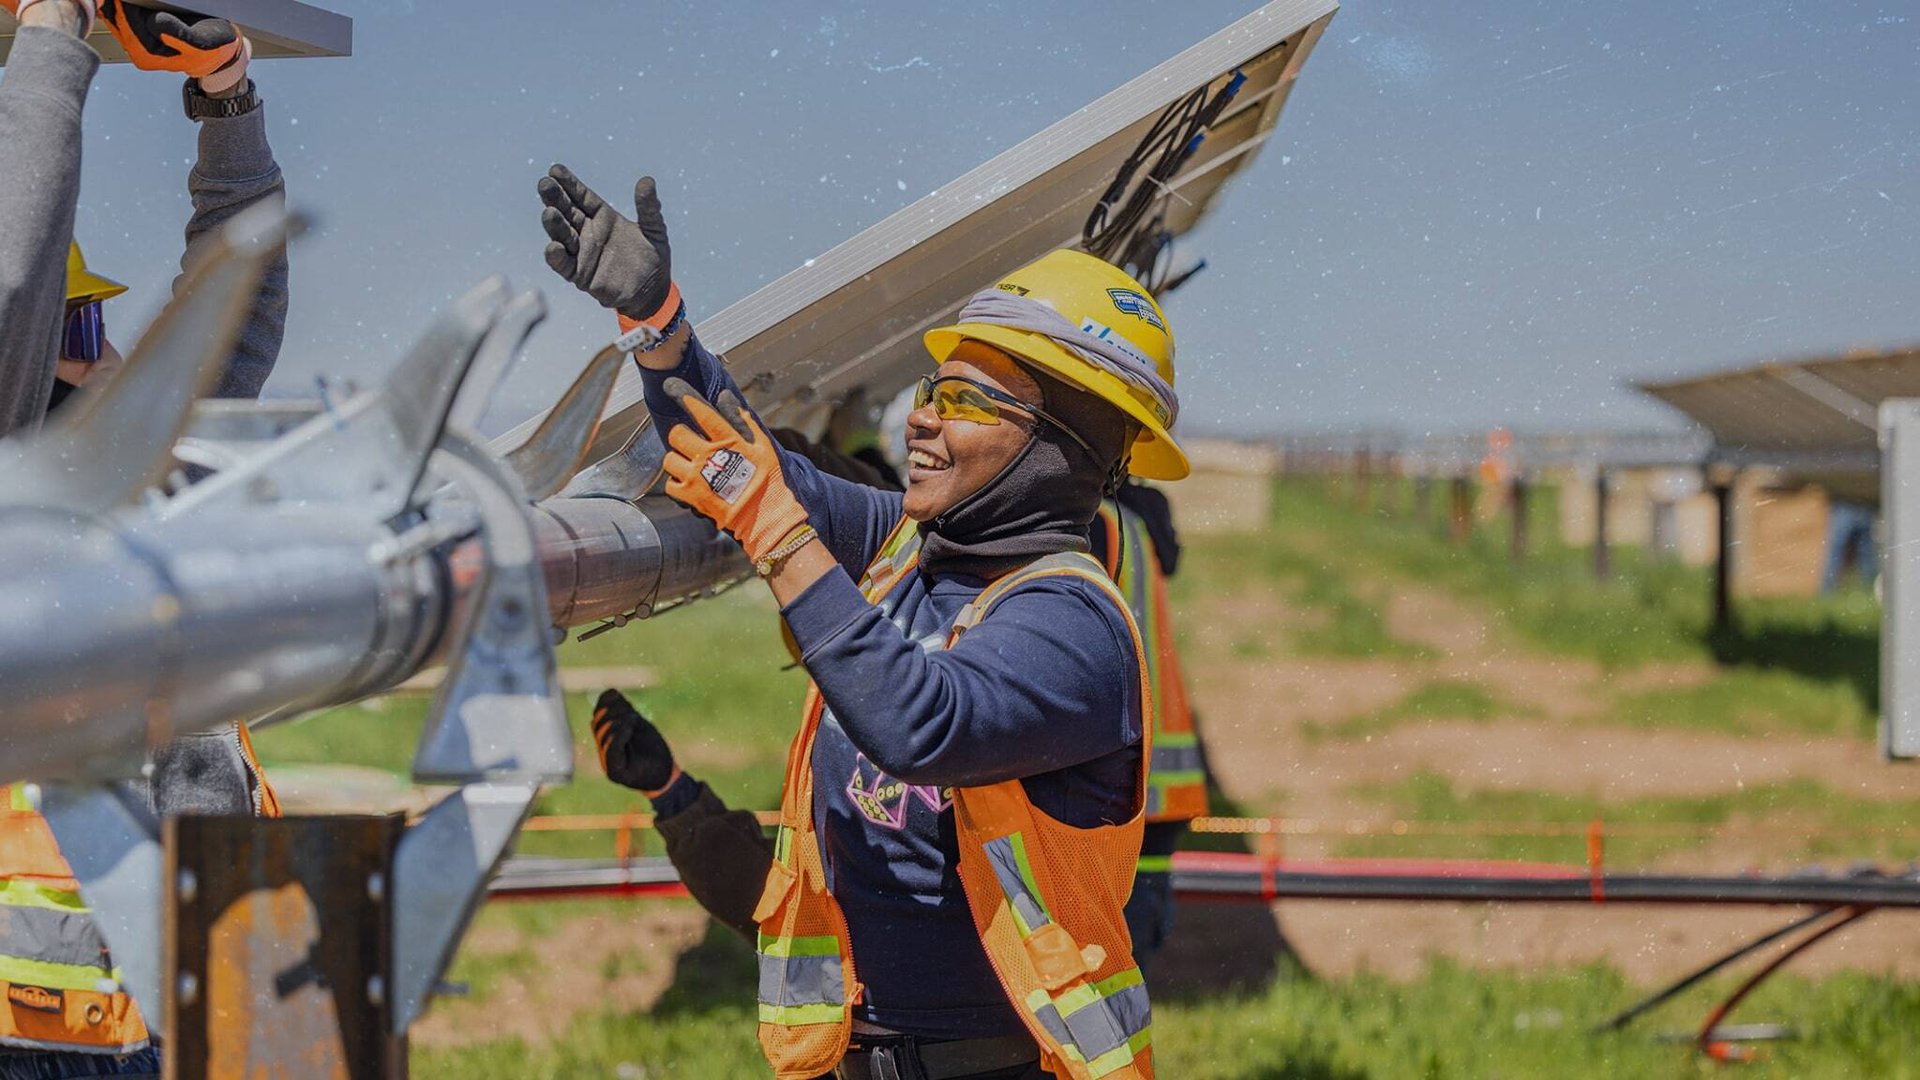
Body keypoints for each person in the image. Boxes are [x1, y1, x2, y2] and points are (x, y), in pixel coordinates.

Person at [540, 165, 1187, 1080]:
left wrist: (771, 525)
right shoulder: (903, 548)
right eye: (929, 389)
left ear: (1064, 448)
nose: (920, 420)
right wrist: (658, 321)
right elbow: (739, 451)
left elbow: (921, 723)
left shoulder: (1073, 626)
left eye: (963, 402)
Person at [0, 4, 285, 1074]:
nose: (110, 347)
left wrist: (227, 99)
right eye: (80, 330)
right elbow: (12, 287)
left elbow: (237, 305)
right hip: (41, 1037)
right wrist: (54, 35)